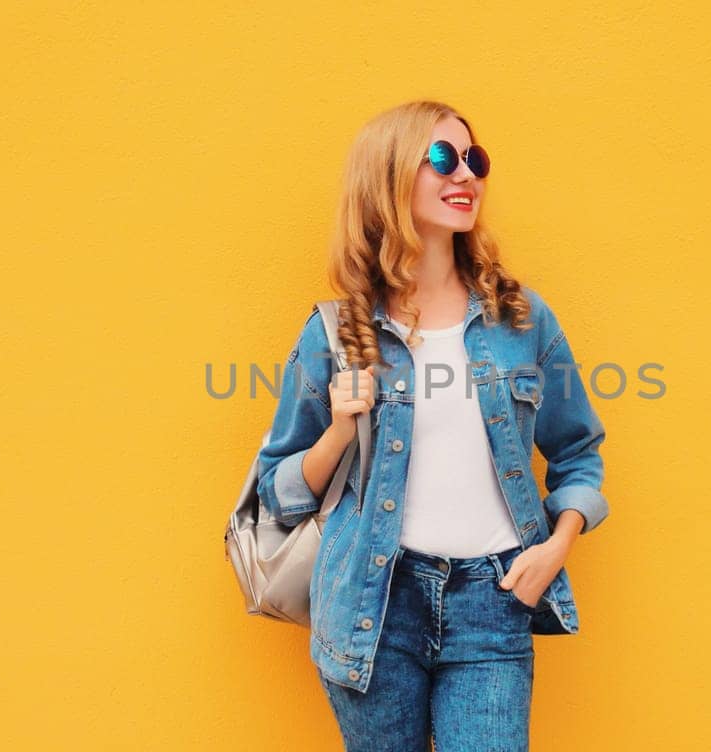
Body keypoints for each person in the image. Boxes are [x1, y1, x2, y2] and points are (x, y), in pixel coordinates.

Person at [255, 99, 609, 751]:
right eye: (442, 158)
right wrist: (339, 429)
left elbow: (579, 452)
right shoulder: (336, 334)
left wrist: (557, 544)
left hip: (493, 600)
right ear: (388, 178)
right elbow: (276, 490)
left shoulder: (521, 320)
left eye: (474, 160)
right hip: (373, 606)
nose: (466, 176)